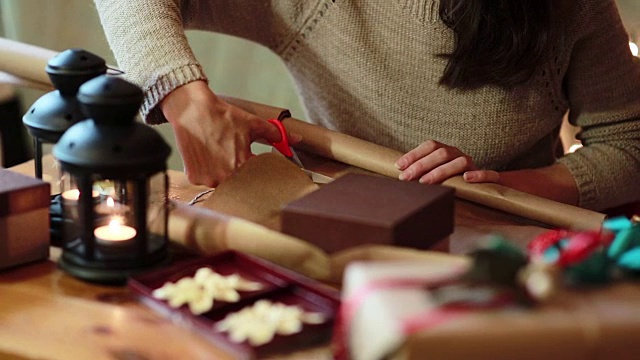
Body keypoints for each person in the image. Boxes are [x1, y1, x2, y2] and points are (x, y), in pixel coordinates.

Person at [93, 0, 640, 212]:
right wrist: (185, 100)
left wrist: (494, 182)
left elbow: (628, 145)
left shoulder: (573, 9)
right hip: (336, 238)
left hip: (506, 250)